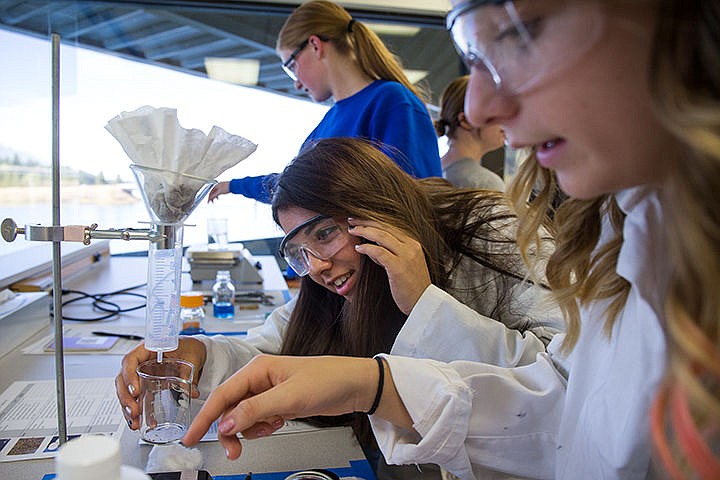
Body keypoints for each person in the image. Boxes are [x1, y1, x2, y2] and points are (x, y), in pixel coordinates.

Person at [177, 1, 720, 479]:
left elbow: (556, 401)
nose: (478, 107)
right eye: (299, 248)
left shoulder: (483, 225)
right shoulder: (630, 232)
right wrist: (202, 355)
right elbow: (581, 428)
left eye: (521, 35)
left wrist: (417, 314)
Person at [116, 137, 561, 478]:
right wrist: (199, 354)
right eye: (299, 252)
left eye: (325, 234)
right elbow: (274, 352)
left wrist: (424, 302)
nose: (318, 267)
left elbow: (562, 384)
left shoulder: (491, 231)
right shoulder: (334, 282)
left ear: (375, 209)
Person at [207, 0, 441, 204]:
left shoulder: (392, 101)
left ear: (315, 46)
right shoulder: (328, 122)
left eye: (291, 67)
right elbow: (295, 189)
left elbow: (414, 198)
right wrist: (232, 186)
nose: (296, 83)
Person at [434, 75, 505, 191]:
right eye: (496, 111)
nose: (505, 122)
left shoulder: (433, 172)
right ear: (465, 120)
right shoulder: (485, 184)